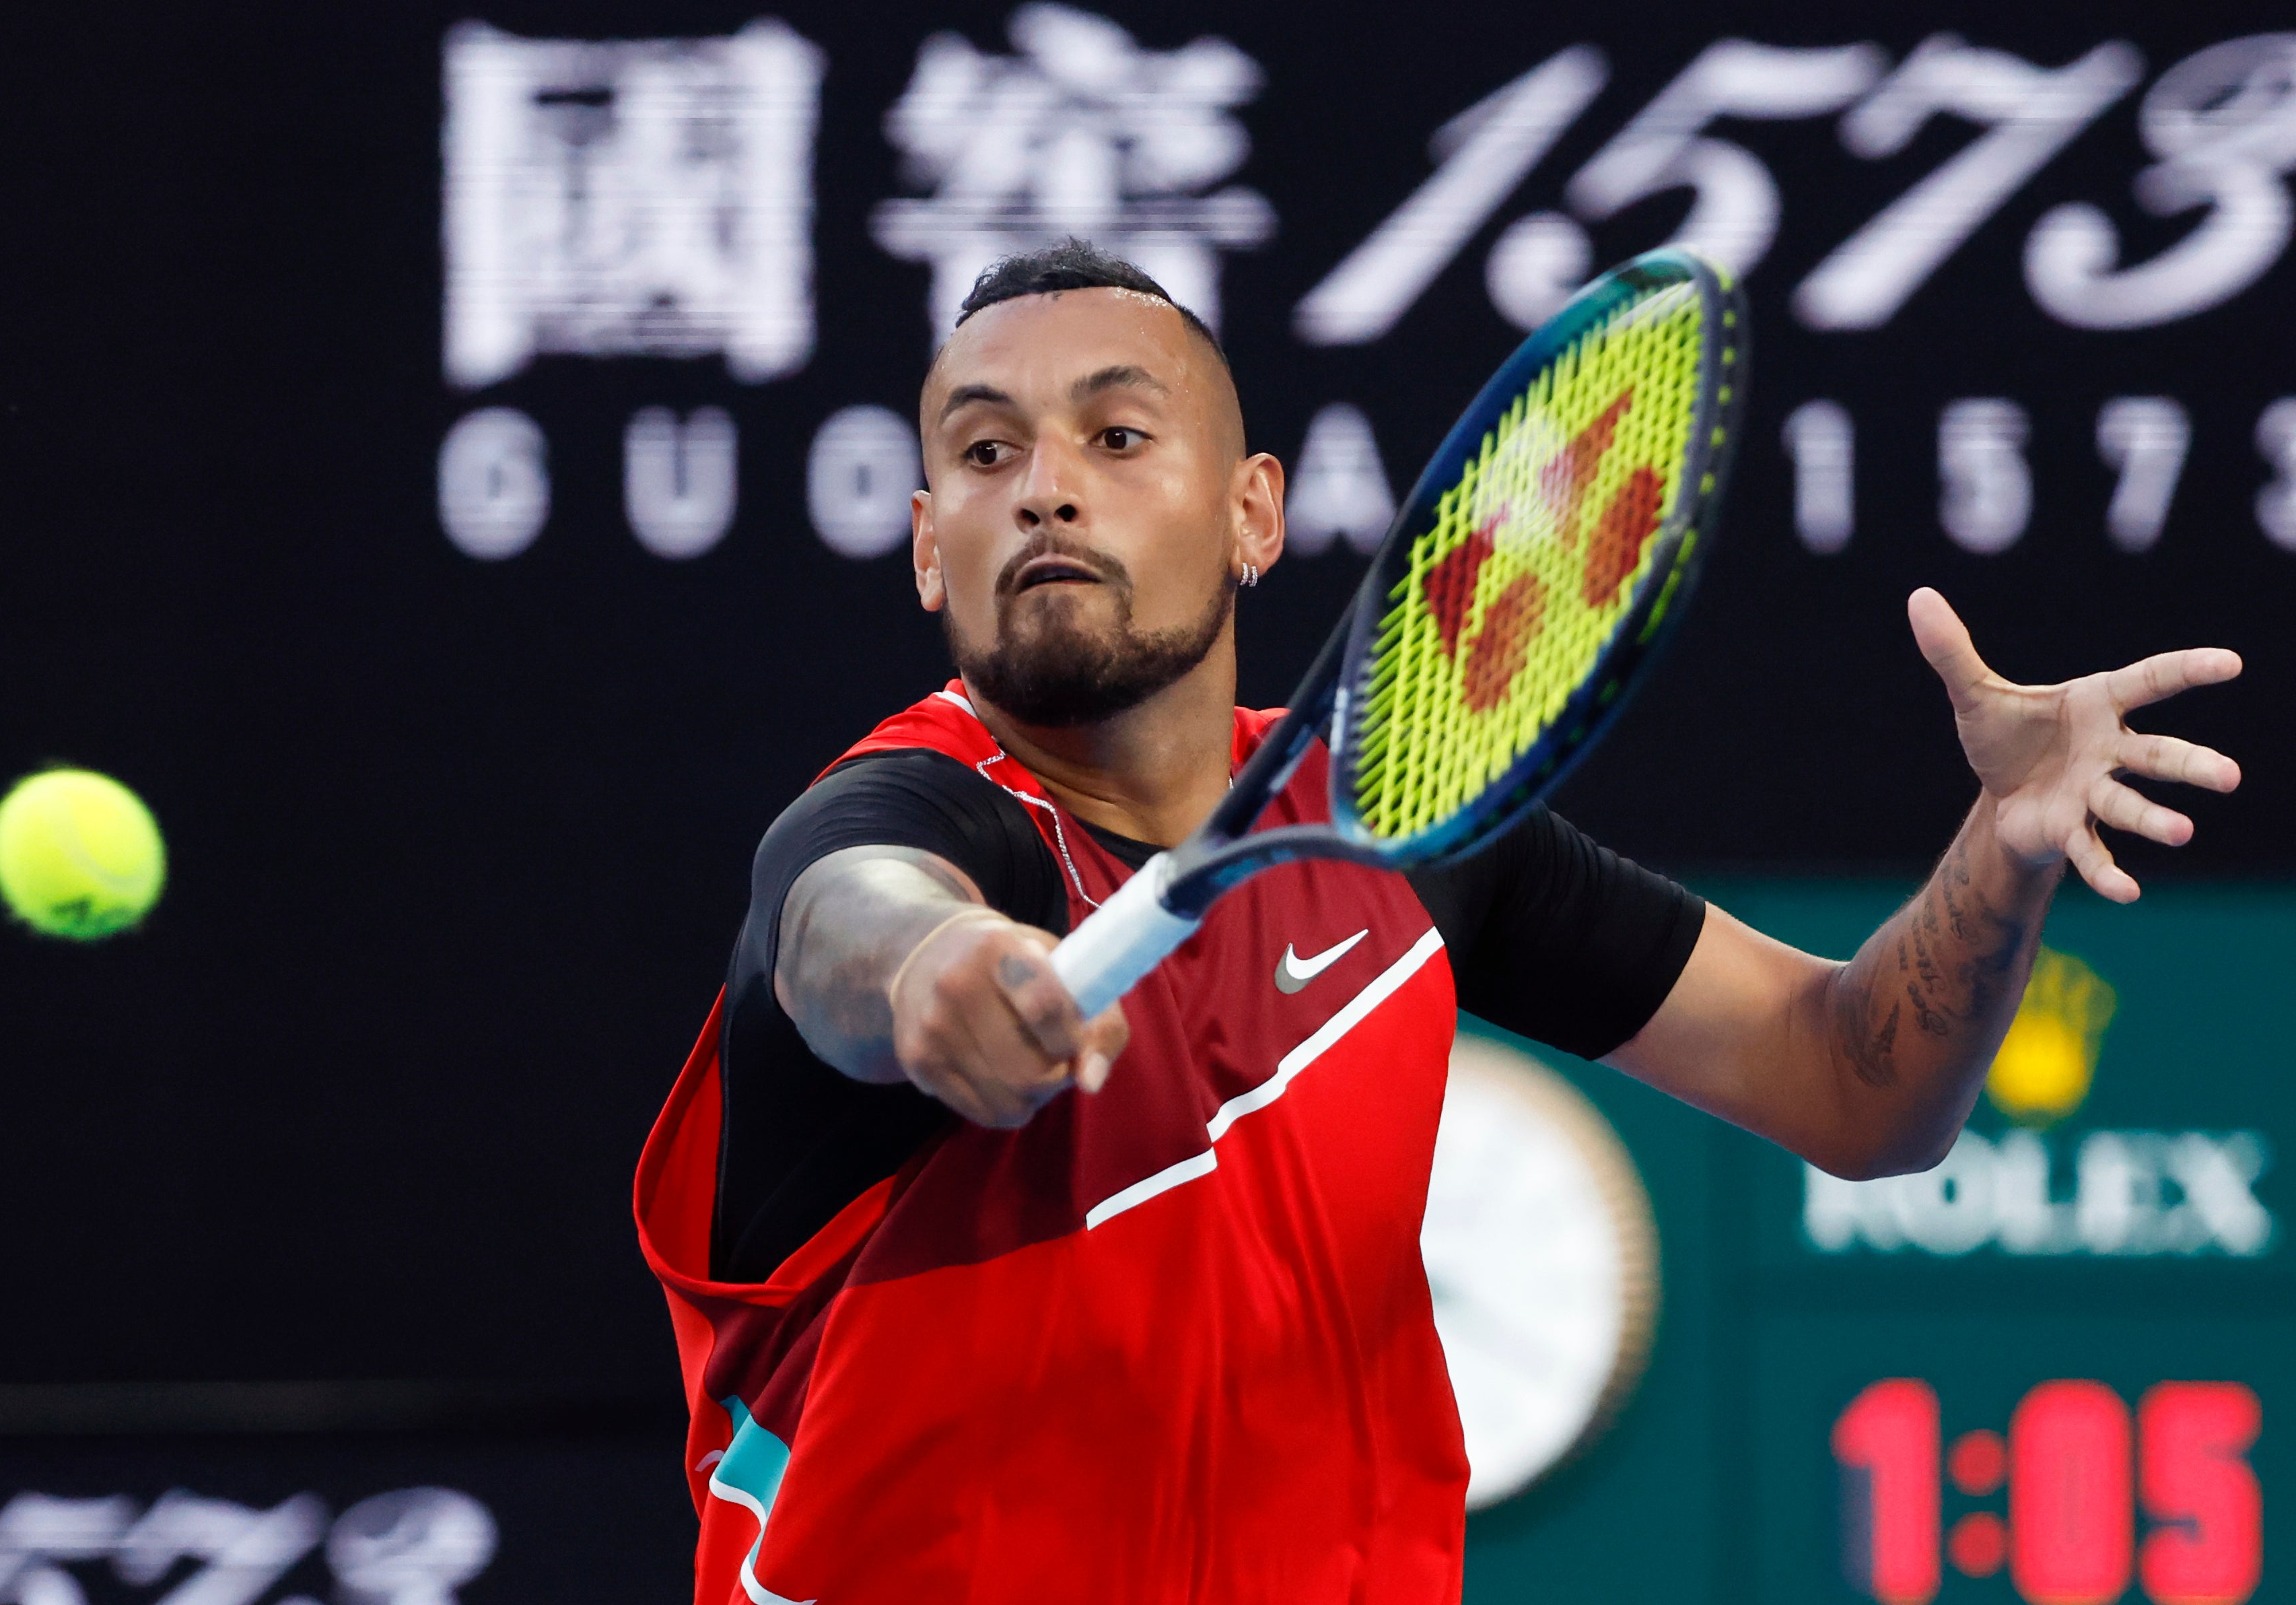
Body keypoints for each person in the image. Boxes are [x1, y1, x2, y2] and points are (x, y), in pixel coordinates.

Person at [634, 240, 2241, 1603]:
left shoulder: (1401, 823)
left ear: (1256, 513)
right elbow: (849, 923)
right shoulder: (909, 816)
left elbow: (1859, 1087)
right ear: (930, 546)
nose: (1045, 487)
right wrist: (942, 971)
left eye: (1118, 438)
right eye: (985, 456)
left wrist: (2006, 845)